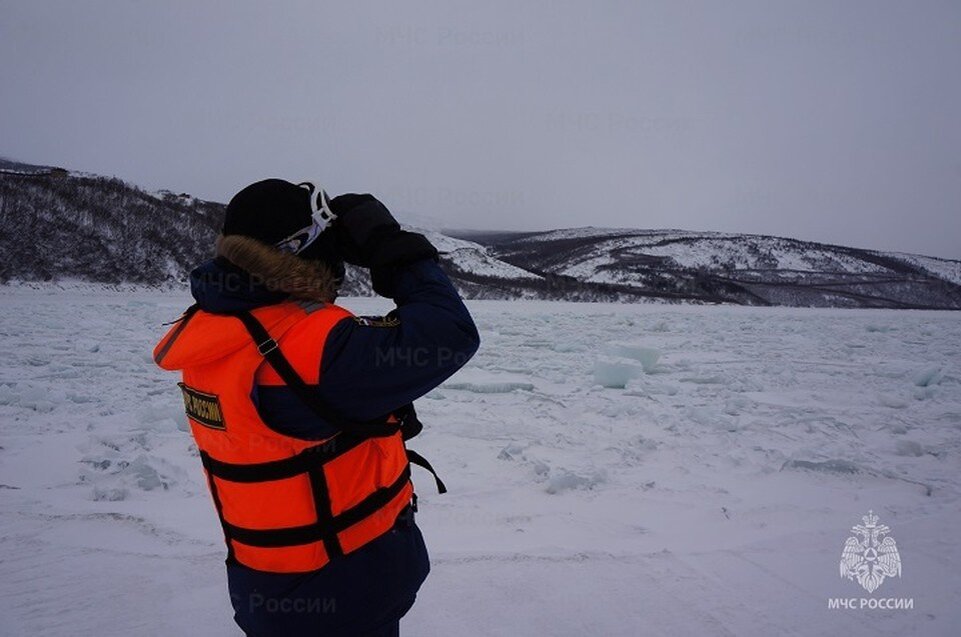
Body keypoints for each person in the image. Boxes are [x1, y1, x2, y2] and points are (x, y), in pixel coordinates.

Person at [153, 179, 480, 636]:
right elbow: (450, 332)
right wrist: (392, 247)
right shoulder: (315, 350)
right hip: (344, 595)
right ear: (305, 252)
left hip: (265, 583)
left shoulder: (217, 329)